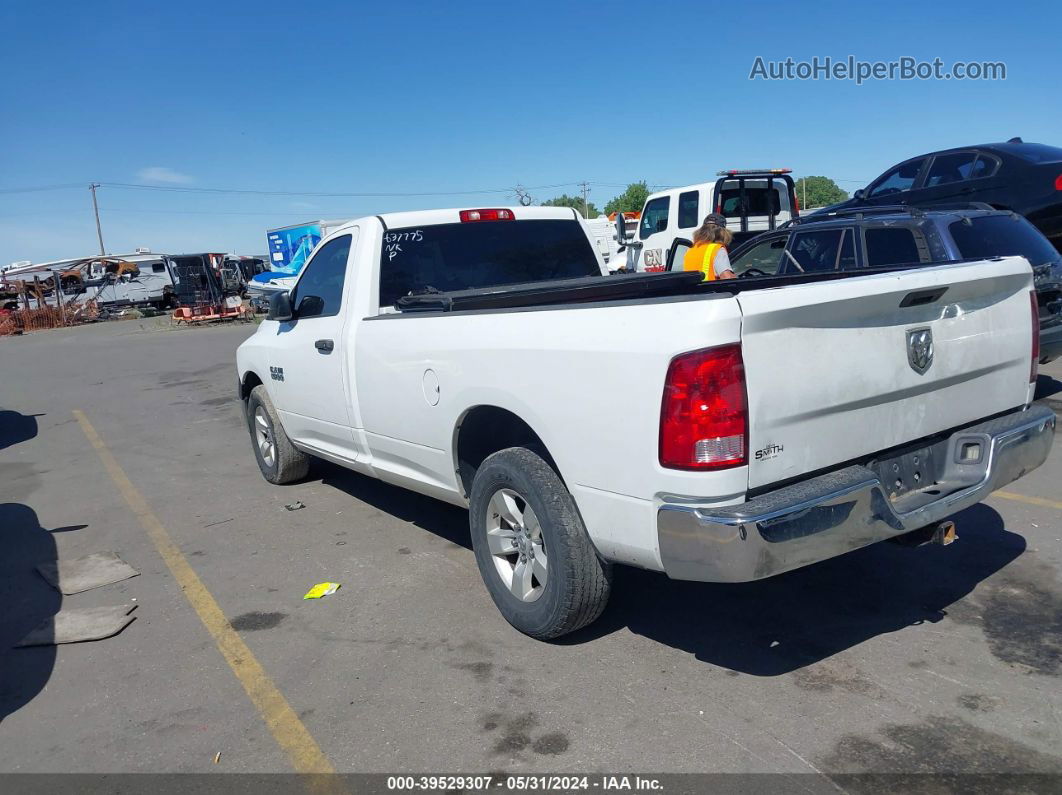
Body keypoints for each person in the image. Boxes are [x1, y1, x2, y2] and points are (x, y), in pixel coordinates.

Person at [683, 213, 736, 280]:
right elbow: (727, 277)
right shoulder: (717, 250)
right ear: (723, 232)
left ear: (702, 230)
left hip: (692, 290)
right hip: (711, 289)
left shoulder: (690, 249)